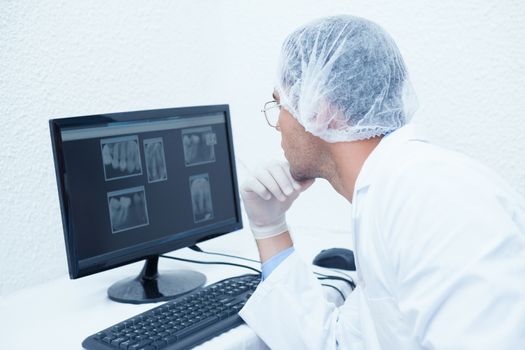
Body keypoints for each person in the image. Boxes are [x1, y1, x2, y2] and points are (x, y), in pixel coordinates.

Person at [238, 15, 525, 349]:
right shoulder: (386, 196)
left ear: (319, 109)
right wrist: (269, 226)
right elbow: (337, 343)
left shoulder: (435, 197)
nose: (278, 125)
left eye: (280, 103)